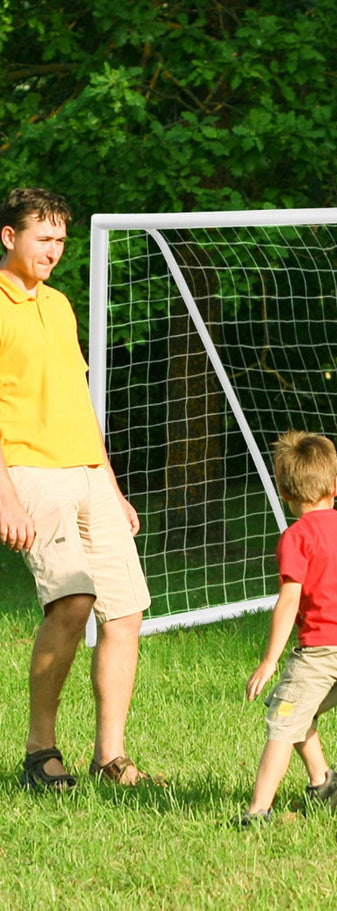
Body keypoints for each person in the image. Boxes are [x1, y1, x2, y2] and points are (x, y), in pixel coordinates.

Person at [0, 186, 151, 790]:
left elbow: (79, 400)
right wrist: (5, 495)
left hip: (89, 473)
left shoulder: (59, 304)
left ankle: (109, 755)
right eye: (44, 238)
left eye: (62, 239)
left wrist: (111, 484)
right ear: (8, 236)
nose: (55, 250)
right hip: (30, 472)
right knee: (72, 601)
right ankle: (41, 750)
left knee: (127, 611)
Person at [241, 430, 337, 826]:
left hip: (323, 652)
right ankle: (324, 782)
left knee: (281, 720)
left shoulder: (296, 537)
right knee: (295, 709)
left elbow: (289, 600)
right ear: (336, 484)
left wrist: (269, 660)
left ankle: (258, 811)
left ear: (284, 492)